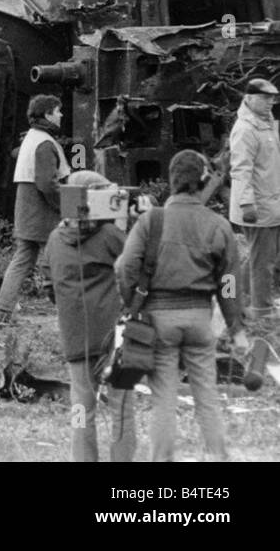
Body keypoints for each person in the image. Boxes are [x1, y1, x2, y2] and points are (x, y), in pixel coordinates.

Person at [119, 150, 249, 462]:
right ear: (203, 180)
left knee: (164, 395)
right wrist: (237, 329)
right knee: (206, 393)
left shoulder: (152, 220)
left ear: (172, 181)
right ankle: (218, 456)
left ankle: (162, 460)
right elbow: (229, 283)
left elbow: (125, 268)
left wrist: (132, 304)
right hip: (200, 319)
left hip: (157, 318)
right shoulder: (217, 224)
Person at [44, 171, 135, 462]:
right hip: (113, 337)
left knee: (81, 409)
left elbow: (49, 287)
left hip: (75, 337)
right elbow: (135, 267)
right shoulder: (110, 236)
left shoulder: (55, 239)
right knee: (121, 407)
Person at [0, 94, 70, 322]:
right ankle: (68, 309)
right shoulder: (45, 143)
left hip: (26, 208)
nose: (61, 114)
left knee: (22, 259)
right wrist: (64, 206)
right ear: (47, 114)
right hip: (43, 212)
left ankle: (1, 311)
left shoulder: (32, 138)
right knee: (59, 259)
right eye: (58, 111)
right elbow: (47, 184)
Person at [228, 77, 280, 322]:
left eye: (272, 97)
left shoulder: (265, 125)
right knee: (263, 262)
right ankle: (263, 312)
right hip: (258, 209)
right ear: (249, 99)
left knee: (260, 257)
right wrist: (247, 204)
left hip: (269, 205)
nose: (271, 102)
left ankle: (240, 298)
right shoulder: (246, 129)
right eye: (265, 97)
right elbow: (241, 169)